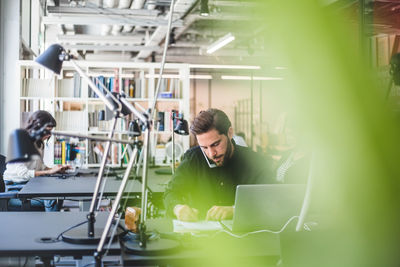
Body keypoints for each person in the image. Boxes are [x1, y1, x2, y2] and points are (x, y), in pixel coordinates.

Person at [164, 108, 274, 222]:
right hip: (199, 237)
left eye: (216, 144)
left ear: (230, 133)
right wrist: (178, 209)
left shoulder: (255, 161)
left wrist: (235, 210)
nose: (211, 154)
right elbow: (170, 193)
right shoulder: (193, 159)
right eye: (204, 147)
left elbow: (273, 199)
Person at [4, 110, 69, 211]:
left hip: (30, 184)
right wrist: (49, 171)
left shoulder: (39, 143)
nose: (49, 135)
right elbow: (22, 173)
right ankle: (51, 224)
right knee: (52, 197)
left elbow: (39, 166)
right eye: (47, 131)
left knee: (58, 192)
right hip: (16, 188)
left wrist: (54, 169)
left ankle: (52, 220)